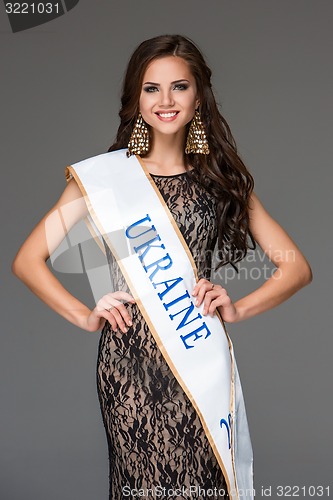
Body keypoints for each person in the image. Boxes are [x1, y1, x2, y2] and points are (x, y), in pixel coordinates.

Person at [12, 34, 312, 500]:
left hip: (197, 360)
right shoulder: (106, 179)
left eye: (180, 87)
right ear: (136, 98)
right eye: (151, 88)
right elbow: (28, 260)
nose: (166, 101)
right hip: (128, 368)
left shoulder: (220, 180)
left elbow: (295, 267)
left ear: (199, 97)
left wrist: (238, 308)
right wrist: (84, 314)